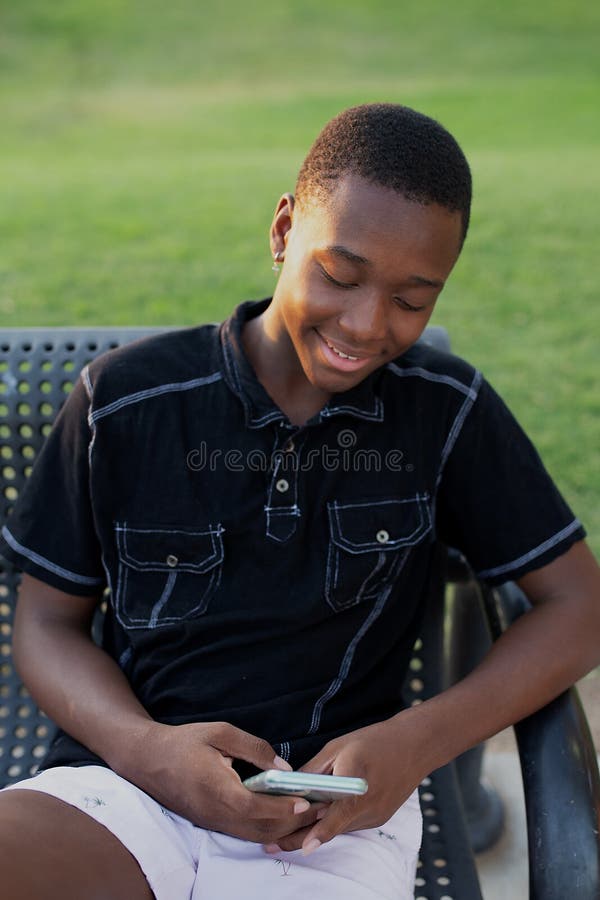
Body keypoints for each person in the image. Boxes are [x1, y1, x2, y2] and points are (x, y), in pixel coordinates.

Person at [0, 103, 599, 900]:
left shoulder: (443, 413)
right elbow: (45, 622)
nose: (365, 324)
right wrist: (148, 753)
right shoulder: (124, 400)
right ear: (284, 231)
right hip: (126, 788)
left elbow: (579, 606)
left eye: (412, 300)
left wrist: (413, 744)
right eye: (340, 275)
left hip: (333, 824)